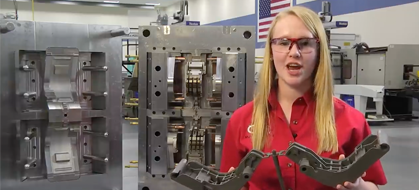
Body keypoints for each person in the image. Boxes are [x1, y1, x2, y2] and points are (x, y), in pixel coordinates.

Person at [219, 6, 387, 190]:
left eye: (305, 43)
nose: (294, 52)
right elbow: (228, 182)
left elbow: (373, 185)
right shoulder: (242, 120)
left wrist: (358, 187)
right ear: (271, 50)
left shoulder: (351, 121)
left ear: (318, 50)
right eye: (283, 42)